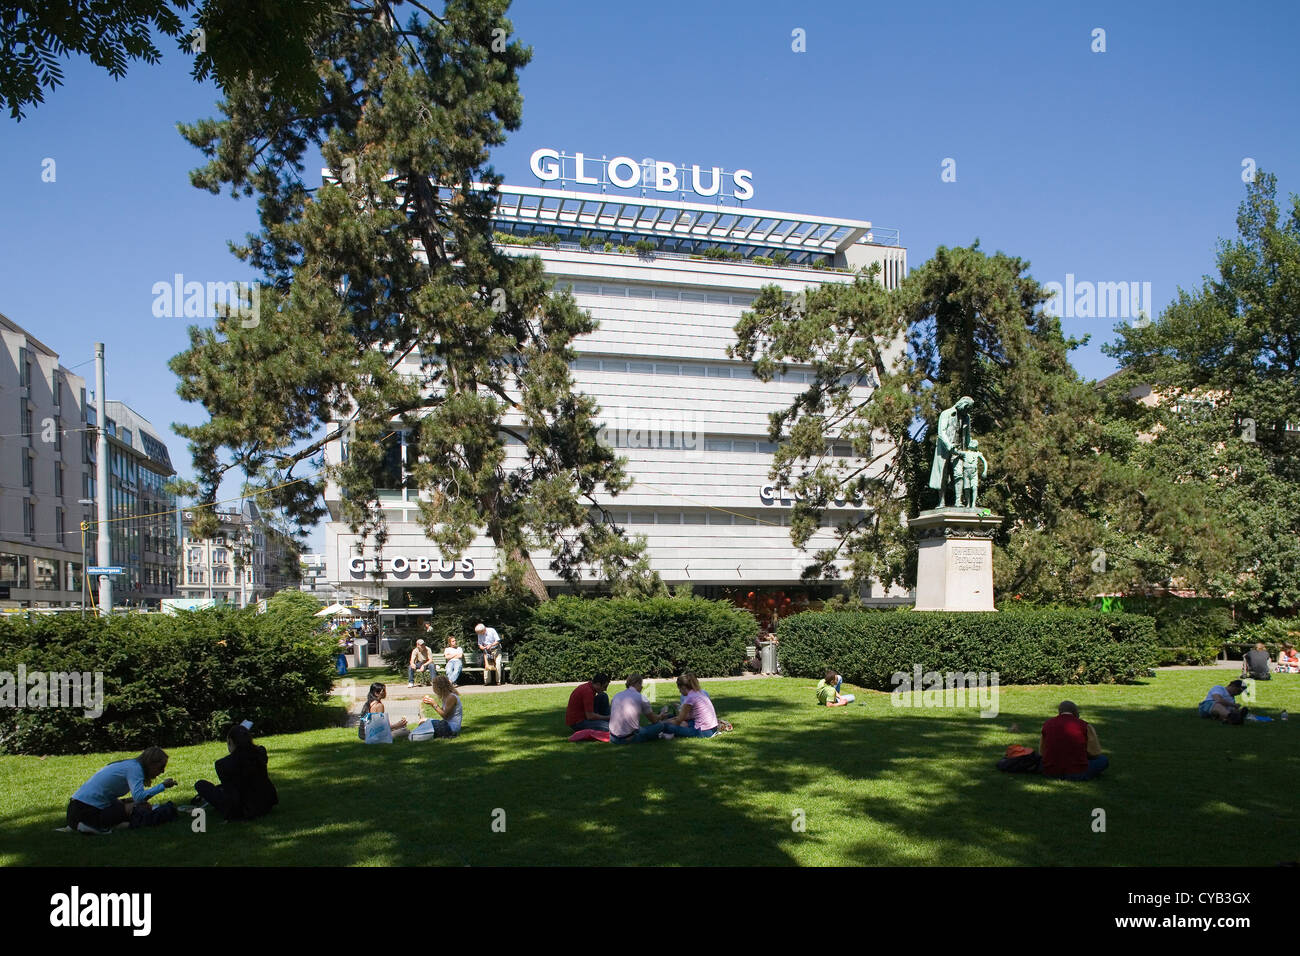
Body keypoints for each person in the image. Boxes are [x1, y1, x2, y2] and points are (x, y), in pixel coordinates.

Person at [66, 746, 178, 834]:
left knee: (133, 804)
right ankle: (99, 826)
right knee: (137, 807)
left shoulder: (129, 765)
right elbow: (139, 797)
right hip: (85, 812)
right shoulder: (135, 769)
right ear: (151, 763)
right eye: (161, 767)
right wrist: (163, 786)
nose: (162, 771)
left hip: (75, 811)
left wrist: (124, 801)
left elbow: (106, 794)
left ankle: (106, 825)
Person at [192, 724, 279, 821]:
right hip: (266, 803)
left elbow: (231, 793)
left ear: (231, 741)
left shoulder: (223, 764)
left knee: (201, 785)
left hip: (244, 808)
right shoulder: (260, 752)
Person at [1040, 701, 1109, 780]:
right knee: (1103, 760)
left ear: (1059, 712)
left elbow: (1042, 752)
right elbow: (1095, 753)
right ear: (1076, 712)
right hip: (1078, 772)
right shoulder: (1085, 725)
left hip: (1051, 772)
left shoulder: (1047, 724)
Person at [608, 673, 672, 744]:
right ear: (637, 683)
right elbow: (654, 720)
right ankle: (660, 735)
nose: (642, 687)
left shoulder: (616, 696)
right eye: (641, 684)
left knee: (639, 728)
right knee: (660, 725)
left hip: (613, 737)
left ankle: (660, 735)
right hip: (628, 738)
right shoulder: (641, 698)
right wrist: (661, 716)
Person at [662, 674, 724, 738]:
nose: (679, 691)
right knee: (678, 721)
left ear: (683, 687)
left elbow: (679, 720)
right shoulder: (699, 693)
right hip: (713, 728)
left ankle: (668, 732)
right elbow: (687, 717)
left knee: (667, 727)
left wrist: (665, 723)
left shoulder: (690, 698)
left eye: (679, 689)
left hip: (703, 731)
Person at [417, 674, 463, 739]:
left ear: (439, 687)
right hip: (446, 724)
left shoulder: (451, 697)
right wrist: (432, 704)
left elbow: (445, 715)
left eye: (434, 686)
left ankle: (448, 734)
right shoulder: (446, 696)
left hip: (451, 727)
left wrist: (434, 704)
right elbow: (444, 712)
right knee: (422, 721)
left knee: (423, 723)